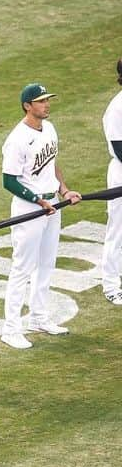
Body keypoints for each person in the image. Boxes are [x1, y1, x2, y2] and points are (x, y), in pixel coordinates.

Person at [0, 82, 82, 349]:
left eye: (48, 100)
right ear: (27, 105)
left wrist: (65, 190)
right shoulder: (17, 139)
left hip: (52, 204)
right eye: (41, 101)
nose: (47, 104)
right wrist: (38, 200)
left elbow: (51, 165)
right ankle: (10, 329)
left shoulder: (50, 129)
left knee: (46, 263)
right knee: (22, 268)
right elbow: (9, 181)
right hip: (28, 209)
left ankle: (38, 317)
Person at [101, 58, 122, 305]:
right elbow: (119, 149)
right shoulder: (117, 108)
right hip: (120, 173)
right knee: (117, 230)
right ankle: (111, 285)